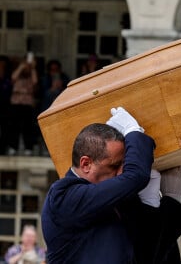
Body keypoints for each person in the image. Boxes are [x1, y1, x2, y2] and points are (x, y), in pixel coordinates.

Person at [41, 107, 156, 263]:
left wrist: (155, 202)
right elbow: (135, 177)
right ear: (86, 164)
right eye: (114, 166)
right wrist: (133, 131)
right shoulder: (63, 196)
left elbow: (148, 250)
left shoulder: (116, 201)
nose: (121, 172)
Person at [7, 54, 39, 155]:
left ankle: (28, 147)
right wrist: (21, 66)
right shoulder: (17, 72)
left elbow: (35, 82)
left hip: (28, 102)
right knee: (14, 125)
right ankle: (13, 146)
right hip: (16, 101)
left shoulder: (32, 73)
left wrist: (32, 68)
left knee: (27, 126)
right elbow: (13, 78)